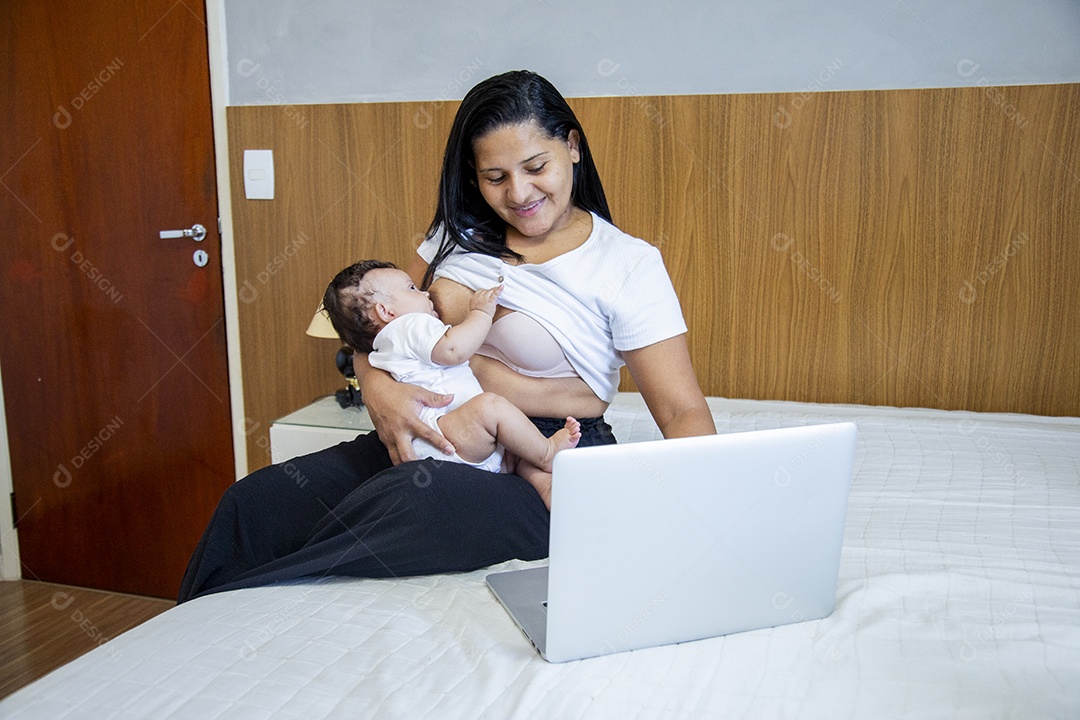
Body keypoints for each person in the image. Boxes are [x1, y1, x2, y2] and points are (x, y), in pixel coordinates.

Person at [177, 70, 714, 603]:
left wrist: (698, 516)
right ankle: (194, 623)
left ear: (572, 147)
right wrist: (379, 391)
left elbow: (682, 412)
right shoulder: (456, 234)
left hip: (547, 452)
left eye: (535, 167)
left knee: (413, 499)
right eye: (495, 177)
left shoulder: (627, 264)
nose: (519, 193)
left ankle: (251, 597)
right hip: (435, 425)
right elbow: (374, 329)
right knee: (256, 501)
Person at [322, 258, 581, 505]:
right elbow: (453, 350)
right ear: (386, 311)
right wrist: (480, 313)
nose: (425, 294)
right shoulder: (409, 326)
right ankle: (547, 454)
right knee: (491, 407)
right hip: (447, 436)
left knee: (513, 448)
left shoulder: (384, 347)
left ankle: (543, 484)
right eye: (412, 288)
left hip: (443, 445)